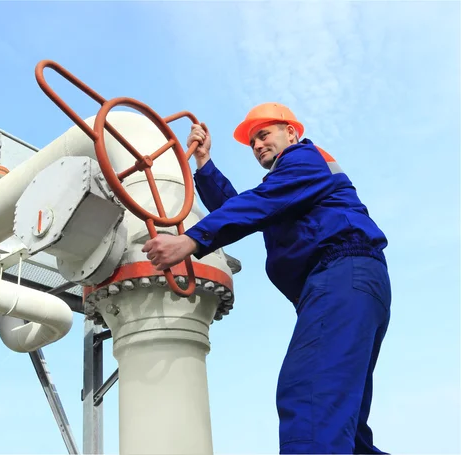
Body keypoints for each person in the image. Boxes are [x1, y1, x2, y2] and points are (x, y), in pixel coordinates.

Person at [142, 103, 391, 454]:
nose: (258, 144)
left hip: (340, 276)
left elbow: (256, 205)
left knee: (310, 396)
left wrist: (189, 240)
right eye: (252, 141)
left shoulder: (305, 159)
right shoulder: (290, 188)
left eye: (264, 134)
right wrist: (204, 164)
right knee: (343, 424)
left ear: (292, 131)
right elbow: (245, 207)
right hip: (349, 287)